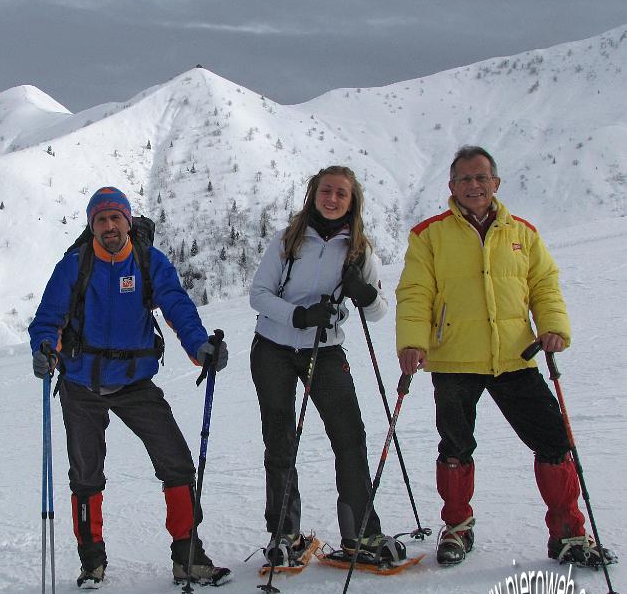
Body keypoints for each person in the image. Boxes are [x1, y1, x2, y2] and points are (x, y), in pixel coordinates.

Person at [396, 145, 616, 567]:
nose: (474, 185)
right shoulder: (430, 234)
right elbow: (415, 292)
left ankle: (568, 534)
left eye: (481, 178)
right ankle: (457, 526)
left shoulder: (523, 233)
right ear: (451, 186)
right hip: (454, 359)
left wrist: (553, 327)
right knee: (455, 447)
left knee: (553, 440)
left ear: (495, 183)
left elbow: (544, 285)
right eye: (465, 178)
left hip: (516, 355)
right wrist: (412, 342)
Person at [29, 186, 231, 588]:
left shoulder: (147, 261)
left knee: (175, 461)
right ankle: (92, 562)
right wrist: (46, 349)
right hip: (80, 382)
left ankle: (188, 555)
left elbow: (177, 306)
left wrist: (200, 346)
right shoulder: (74, 265)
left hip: (135, 382)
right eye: (100, 220)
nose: (108, 226)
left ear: (128, 220)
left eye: (115, 218)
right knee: (86, 475)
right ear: (91, 227)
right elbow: (47, 318)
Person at [249, 166, 406, 566]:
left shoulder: (358, 249)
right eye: (326, 191)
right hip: (274, 348)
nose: (332, 199)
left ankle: (361, 534)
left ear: (352, 202)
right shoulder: (289, 239)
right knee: (280, 440)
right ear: (313, 194)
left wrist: (365, 292)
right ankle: (284, 533)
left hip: (326, 349)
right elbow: (259, 294)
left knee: (349, 437)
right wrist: (299, 316)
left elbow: (378, 312)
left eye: (341, 194)